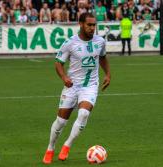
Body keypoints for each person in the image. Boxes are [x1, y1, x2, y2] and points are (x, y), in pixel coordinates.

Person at [42, 12, 111, 164]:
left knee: (84, 114)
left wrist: (108, 74)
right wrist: (64, 78)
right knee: (61, 122)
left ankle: (67, 145)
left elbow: (103, 57)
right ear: (81, 24)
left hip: (90, 86)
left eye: (94, 25)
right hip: (72, 86)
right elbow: (58, 62)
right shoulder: (70, 43)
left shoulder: (100, 41)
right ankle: (50, 147)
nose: (92, 28)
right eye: (89, 25)